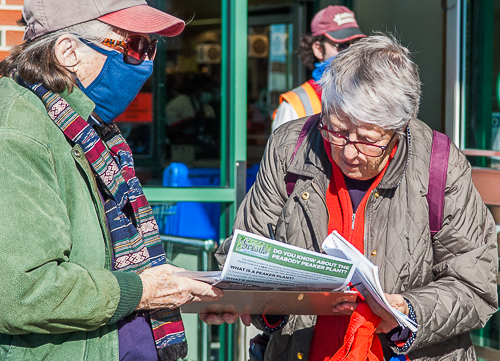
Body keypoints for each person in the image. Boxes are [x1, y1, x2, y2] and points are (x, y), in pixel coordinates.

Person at [207, 35, 498, 361]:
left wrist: (409, 311)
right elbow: (247, 246)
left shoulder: (439, 166)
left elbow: (476, 286)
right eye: (336, 130)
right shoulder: (290, 148)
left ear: (399, 129)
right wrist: (261, 304)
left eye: (367, 140)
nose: (348, 152)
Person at [0, 1, 223, 360]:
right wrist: (144, 291)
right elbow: (20, 289)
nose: (147, 63)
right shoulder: (19, 128)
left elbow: (108, 263)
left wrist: (181, 289)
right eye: (135, 46)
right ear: (68, 51)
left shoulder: (88, 129)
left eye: (151, 48)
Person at [271, 5, 366, 132]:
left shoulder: (369, 94)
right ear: (319, 49)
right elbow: (280, 151)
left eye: (357, 44)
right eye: (342, 45)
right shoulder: (295, 105)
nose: (351, 52)